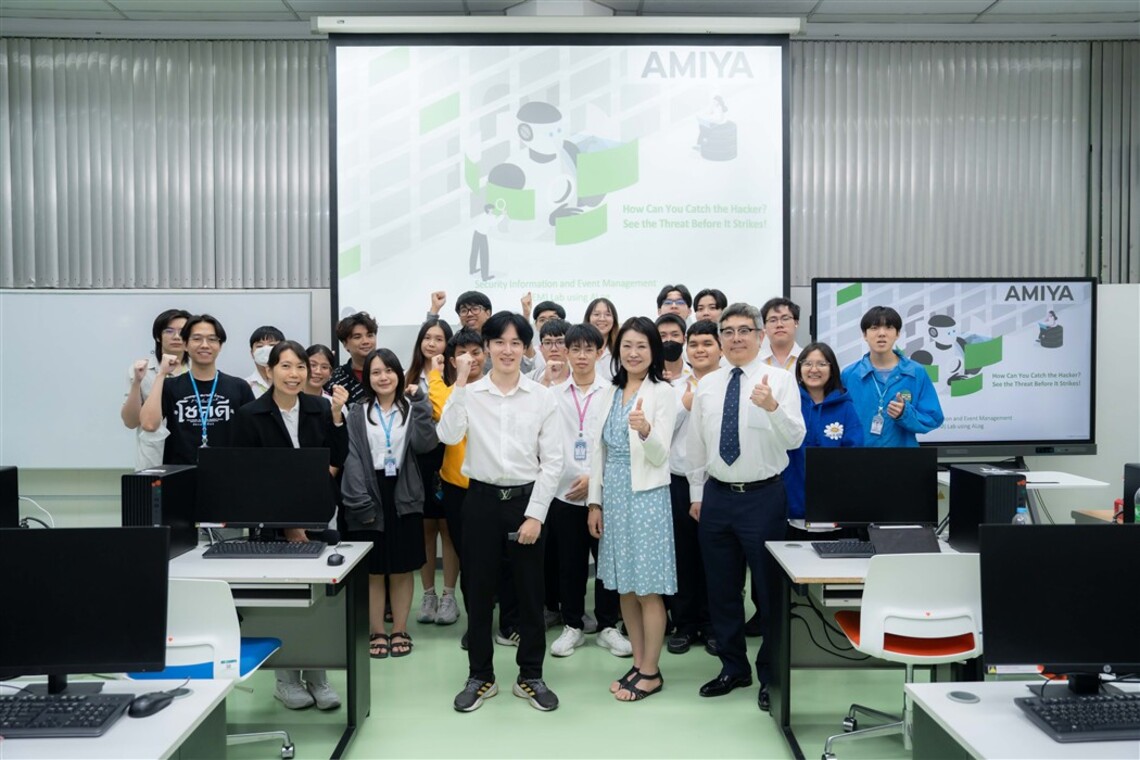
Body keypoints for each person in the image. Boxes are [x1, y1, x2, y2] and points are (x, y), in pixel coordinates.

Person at [437, 311, 563, 713]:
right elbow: (448, 435)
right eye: (499, 343)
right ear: (486, 348)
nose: (507, 350)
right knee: (478, 593)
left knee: (530, 593)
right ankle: (480, 676)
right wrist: (459, 381)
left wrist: (536, 514)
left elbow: (553, 462)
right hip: (481, 502)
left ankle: (531, 676)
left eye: (515, 343)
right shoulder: (470, 393)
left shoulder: (542, 396)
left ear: (525, 348)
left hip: (526, 502)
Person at [686, 302, 805, 712]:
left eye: (744, 330)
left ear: (760, 335)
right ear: (720, 339)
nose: (736, 338)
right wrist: (697, 495)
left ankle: (770, 674)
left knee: (769, 593)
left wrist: (772, 407)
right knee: (721, 590)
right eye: (728, 331)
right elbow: (697, 445)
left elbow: (795, 439)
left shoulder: (780, 381)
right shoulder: (707, 384)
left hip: (764, 498)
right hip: (717, 497)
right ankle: (733, 667)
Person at [231, 340, 349, 711]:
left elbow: (340, 455)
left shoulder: (319, 407)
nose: (294, 374)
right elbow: (248, 477)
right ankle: (285, 681)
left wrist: (337, 416)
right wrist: (287, 526)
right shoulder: (251, 415)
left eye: (300, 366)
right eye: (285, 366)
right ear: (269, 371)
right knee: (282, 601)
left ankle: (318, 676)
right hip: (270, 522)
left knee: (317, 600)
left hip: (317, 512)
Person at [587, 316, 678, 701]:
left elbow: (661, 455)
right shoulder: (608, 392)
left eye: (642, 346)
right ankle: (639, 663)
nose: (634, 353)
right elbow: (598, 452)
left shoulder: (663, 393)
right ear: (617, 349)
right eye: (627, 345)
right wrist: (594, 502)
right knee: (625, 587)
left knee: (648, 589)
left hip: (647, 497)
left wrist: (645, 430)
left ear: (653, 351)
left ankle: (651, 672)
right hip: (614, 495)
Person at [341, 349, 438, 661]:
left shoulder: (411, 407)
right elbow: (352, 457)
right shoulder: (357, 411)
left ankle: (399, 629)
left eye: (388, 371)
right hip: (369, 491)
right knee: (372, 569)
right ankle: (376, 632)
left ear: (398, 374)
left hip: (404, 492)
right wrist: (359, 501)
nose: (383, 377)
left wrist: (421, 404)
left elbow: (425, 444)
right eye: (376, 372)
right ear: (368, 378)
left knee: (401, 567)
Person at [546, 323, 632, 659]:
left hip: (604, 491)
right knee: (570, 564)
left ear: (600, 352)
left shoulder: (613, 393)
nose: (582, 356)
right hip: (564, 493)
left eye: (588, 349)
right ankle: (573, 626)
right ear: (566, 352)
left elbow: (617, 444)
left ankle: (608, 626)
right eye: (575, 349)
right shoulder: (552, 395)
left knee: (607, 561)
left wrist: (594, 479)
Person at [425, 329, 486, 649]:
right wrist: (437, 373)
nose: (470, 359)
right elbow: (443, 406)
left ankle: (506, 620)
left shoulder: (495, 391)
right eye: (463, 353)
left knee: (501, 560)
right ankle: (476, 624)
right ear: (452, 360)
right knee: (469, 560)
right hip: (458, 489)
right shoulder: (449, 393)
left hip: (491, 486)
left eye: (476, 352)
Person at [665, 320, 721, 656]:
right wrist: (684, 405)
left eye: (707, 343)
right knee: (682, 556)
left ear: (720, 348)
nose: (700, 350)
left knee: (716, 558)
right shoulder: (672, 387)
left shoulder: (730, 384)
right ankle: (684, 624)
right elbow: (658, 434)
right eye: (694, 344)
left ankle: (713, 625)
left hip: (717, 484)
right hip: (678, 482)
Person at [140, 314, 256, 464]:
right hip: (180, 473)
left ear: (220, 346)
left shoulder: (239, 387)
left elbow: (253, 435)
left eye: (212, 339)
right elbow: (149, 424)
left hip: (228, 472)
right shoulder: (169, 386)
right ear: (185, 344)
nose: (205, 345)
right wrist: (161, 374)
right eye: (197, 339)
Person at [405, 318, 460, 627]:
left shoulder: (454, 377)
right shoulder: (407, 376)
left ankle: (449, 596)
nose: (432, 343)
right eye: (427, 337)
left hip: (449, 455)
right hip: (418, 460)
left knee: (449, 529)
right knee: (424, 529)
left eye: (439, 339)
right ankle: (428, 595)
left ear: (447, 345)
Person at [782, 343, 864, 530]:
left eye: (821, 364)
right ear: (799, 369)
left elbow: (854, 455)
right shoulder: (788, 402)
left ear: (832, 369)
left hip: (835, 508)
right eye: (807, 364)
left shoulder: (845, 407)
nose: (814, 370)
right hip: (791, 506)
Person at [840, 306, 944, 448]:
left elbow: (933, 418)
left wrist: (905, 414)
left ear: (898, 334)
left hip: (902, 457)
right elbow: (838, 419)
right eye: (874, 328)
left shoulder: (916, 372)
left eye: (889, 327)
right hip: (859, 456)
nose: (882, 334)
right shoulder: (850, 375)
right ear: (864, 335)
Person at [122, 308, 190, 470]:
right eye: (169, 331)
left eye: (182, 332)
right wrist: (137, 382)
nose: (176, 336)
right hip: (153, 458)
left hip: (189, 455)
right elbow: (131, 422)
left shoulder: (199, 371)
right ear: (158, 336)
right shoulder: (142, 370)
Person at [327, 311, 378, 404]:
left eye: (370, 335)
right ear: (345, 344)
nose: (365, 341)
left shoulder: (391, 372)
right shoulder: (336, 379)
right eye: (357, 337)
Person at [759, 298, 803, 372]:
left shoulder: (807, 359)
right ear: (764, 327)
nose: (779, 325)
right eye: (773, 320)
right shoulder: (755, 361)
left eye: (785, 319)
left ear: (796, 323)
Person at [584, 297, 620, 382]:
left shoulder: (620, 349)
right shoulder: (577, 348)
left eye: (607, 314)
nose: (602, 319)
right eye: (596, 314)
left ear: (614, 320)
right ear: (588, 318)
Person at [245, 325, 284, 397]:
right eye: (259, 346)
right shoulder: (245, 386)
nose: (265, 349)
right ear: (252, 353)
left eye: (272, 345)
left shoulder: (292, 382)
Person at [529, 318, 570, 387]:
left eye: (560, 342)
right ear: (541, 348)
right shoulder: (529, 379)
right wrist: (546, 381)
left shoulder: (583, 377)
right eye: (548, 343)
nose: (553, 349)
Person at [656, 313, 690, 385]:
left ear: (684, 339)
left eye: (675, 335)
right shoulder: (648, 376)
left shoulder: (695, 374)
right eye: (663, 336)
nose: (669, 339)